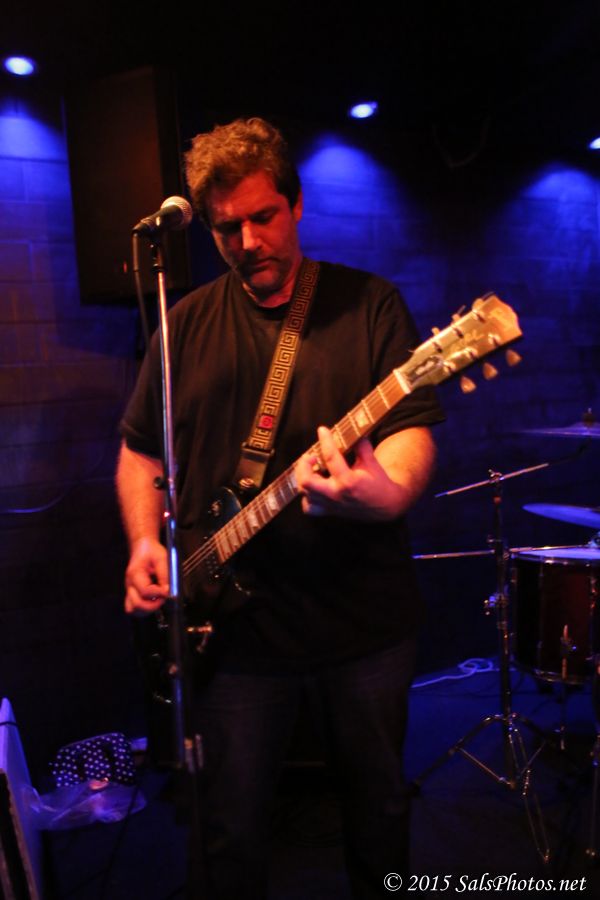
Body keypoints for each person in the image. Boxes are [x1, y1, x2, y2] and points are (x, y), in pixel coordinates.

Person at [116, 117, 444, 899]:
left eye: (264, 217)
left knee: (378, 815)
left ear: (295, 204)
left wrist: (383, 493)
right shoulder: (184, 324)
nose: (249, 242)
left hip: (361, 627)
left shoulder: (369, 306)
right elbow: (140, 453)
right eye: (227, 228)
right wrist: (143, 544)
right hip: (231, 639)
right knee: (229, 831)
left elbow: (410, 435)